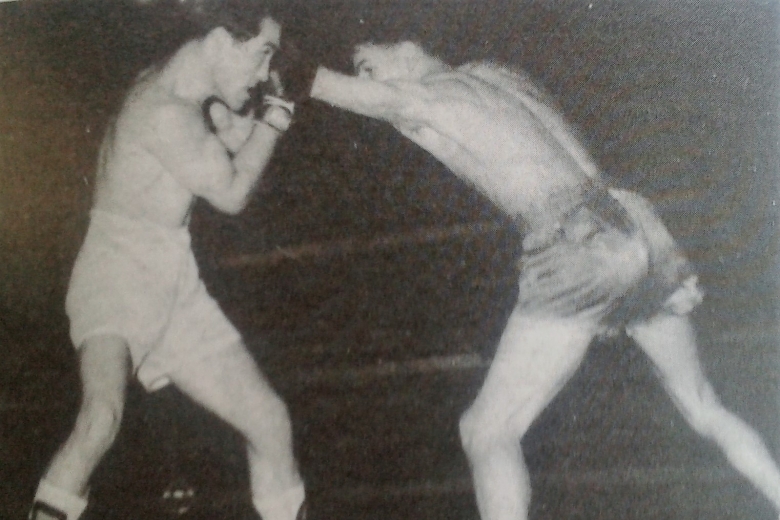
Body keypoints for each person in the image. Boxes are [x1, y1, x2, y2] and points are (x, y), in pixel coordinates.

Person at [294, 39, 780, 519]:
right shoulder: (496, 75)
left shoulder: (429, 98)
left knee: (486, 432)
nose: (367, 79)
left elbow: (382, 98)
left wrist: (291, 68)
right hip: (632, 223)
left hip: (576, 246)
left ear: (401, 47)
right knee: (703, 405)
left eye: (366, 65)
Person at [29, 3, 307, 520]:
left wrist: (245, 124)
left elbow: (236, 149)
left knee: (269, 420)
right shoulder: (161, 110)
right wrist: (278, 113)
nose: (264, 72)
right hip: (115, 271)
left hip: (171, 276)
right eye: (262, 54)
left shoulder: (184, 93)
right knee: (100, 418)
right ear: (222, 41)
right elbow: (232, 192)